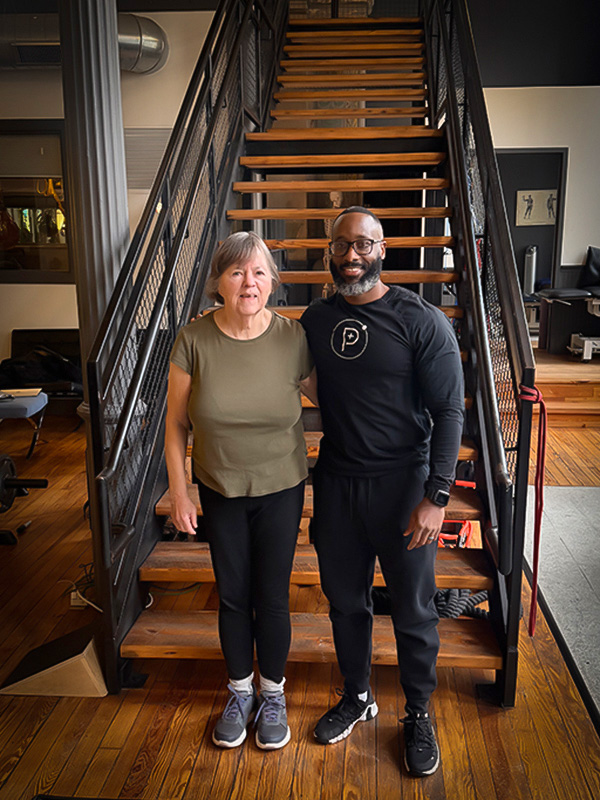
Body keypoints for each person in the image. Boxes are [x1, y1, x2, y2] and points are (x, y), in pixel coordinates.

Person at [300, 207, 464, 777]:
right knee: (346, 603)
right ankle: (357, 695)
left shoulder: (421, 320)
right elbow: (308, 380)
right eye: (342, 246)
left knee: (415, 611)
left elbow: (449, 411)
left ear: (382, 248)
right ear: (330, 252)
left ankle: (418, 713)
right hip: (339, 483)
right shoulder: (316, 319)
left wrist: (437, 496)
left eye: (363, 245)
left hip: (404, 487)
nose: (351, 256)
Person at [165, 231, 314, 751]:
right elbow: (176, 425)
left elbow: (338, 396)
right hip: (219, 486)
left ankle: (273, 694)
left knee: (271, 596)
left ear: (272, 281)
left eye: (258, 272)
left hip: (281, 486)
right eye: (236, 272)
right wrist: (180, 493)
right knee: (232, 595)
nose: (248, 282)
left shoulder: (294, 339)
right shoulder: (193, 340)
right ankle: (240, 692)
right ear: (220, 283)